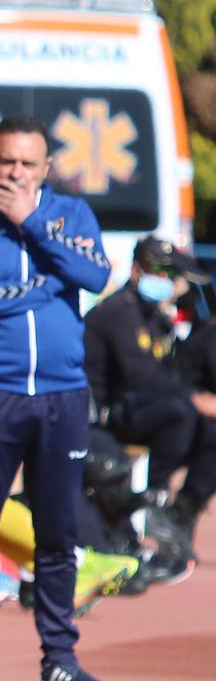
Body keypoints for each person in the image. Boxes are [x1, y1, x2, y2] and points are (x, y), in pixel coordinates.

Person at [0, 115, 113, 681]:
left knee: (58, 532)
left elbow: (95, 274)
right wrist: (47, 286)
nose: (16, 173)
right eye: (7, 161)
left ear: (47, 167)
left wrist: (31, 222)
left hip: (62, 395)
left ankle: (59, 658)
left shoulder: (71, 215)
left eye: (28, 164)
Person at [85, 236, 216, 554]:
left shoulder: (153, 316)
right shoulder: (119, 311)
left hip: (140, 408)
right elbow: (142, 378)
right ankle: (151, 498)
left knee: (211, 429)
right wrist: (196, 399)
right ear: (137, 270)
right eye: (163, 273)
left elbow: (173, 371)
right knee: (182, 411)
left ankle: (181, 510)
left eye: (174, 276)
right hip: (104, 415)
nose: (171, 283)